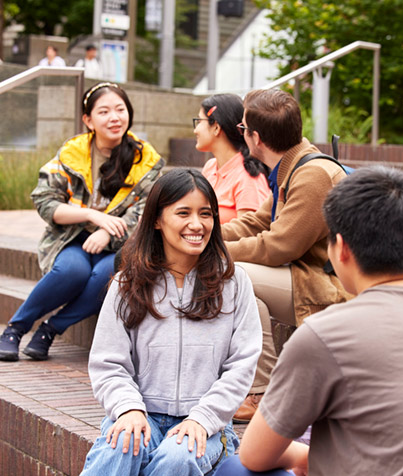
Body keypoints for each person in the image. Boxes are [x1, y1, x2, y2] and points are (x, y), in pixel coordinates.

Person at [214, 166, 403, 476]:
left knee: (234, 470)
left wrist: (305, 457)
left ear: (341, 248)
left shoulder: (325, 335)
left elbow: (254, 455)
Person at [80, 168, 262, 475]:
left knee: (177, 458)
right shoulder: (128, 283)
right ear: (156, 220)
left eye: (206, 214)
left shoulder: (234, 283)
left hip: (207, 423)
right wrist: (128, 408)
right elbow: (108, 363)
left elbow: (242, 367)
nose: (196, 224)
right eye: (183, 213)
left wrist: (202, 419)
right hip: (142, 413)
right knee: (119, 447)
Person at [0, 82, 164, 362]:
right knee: (70, 272)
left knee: (105, 278)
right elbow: (45, 201)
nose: (114, 118)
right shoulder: (71, 155)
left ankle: (50, 330)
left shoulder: (146, 161)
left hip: (121, 246)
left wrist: (107, 233)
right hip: (71, 239)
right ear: (88, 120)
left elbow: (146, 215)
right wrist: (91, 215)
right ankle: (15, 328)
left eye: (120, 110)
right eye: (104, 112)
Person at [221, 89, 353, 422]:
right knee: (245, 289)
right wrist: (204, 236)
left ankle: (261, 393)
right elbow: (256, 221)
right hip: (304, 276)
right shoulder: (294, 164)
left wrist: (213, 253)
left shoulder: (313, 175)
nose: (242, 134)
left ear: (256, 138)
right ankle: (259, 388)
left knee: (239, 275)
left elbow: (280, 246)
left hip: (330, 287)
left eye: (242, 129)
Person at [195, 94, 270, 224]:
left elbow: (250, 234)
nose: (195, 130)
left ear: (216, 127)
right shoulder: (210, 167)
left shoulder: (248, 177)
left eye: (199, 121)